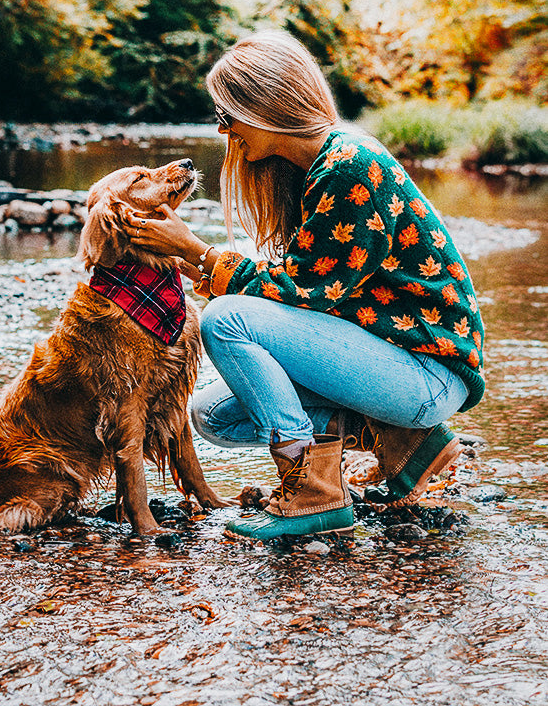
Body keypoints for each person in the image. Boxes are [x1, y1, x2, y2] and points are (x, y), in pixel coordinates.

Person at [126, 31, 485, 540]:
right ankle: (404, 442)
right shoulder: (317, 165)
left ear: (263, 105)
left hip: (427, 373)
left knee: (225, 320)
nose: (224, 130)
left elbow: (306, 291)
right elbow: (310, 294)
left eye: (227, 115)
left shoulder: (348, 166)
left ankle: (315, 495)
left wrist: (196, 250)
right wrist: (202, 270)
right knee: (213, 416)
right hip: (395, 360)